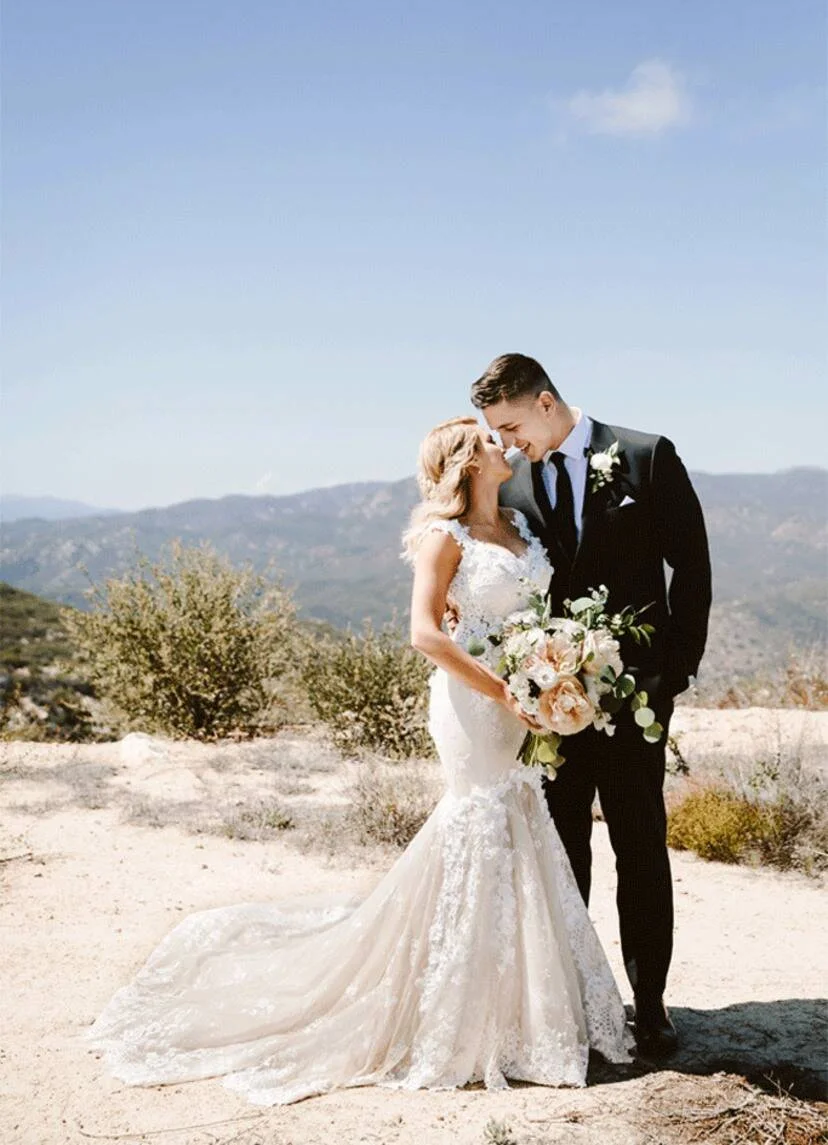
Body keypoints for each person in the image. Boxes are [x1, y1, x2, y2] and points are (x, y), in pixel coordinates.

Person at [78, 415, 633, 1107]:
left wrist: (552, 671)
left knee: (518, 819)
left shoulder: (522, 529)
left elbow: (531, 617)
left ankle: (522, 1009)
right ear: (466, 461)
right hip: (472, 701)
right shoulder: (444, 536)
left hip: (522, 699)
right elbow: (425, 632)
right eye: (491, 441)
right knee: (480, 820)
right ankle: (457, 1013)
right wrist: (503, 687)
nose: (506, 445)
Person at [471, 353, 712, 1057]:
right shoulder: (516, 485)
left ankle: (651, 1002)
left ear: (546, 402)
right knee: (562, 845)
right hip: (550, 705)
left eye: (512, 424)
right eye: (498, 432)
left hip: (637, 695)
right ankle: (576, 996)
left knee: (640, 843)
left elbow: (691, 565)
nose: (508, 443)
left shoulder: (644, 456)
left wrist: (673, 676)